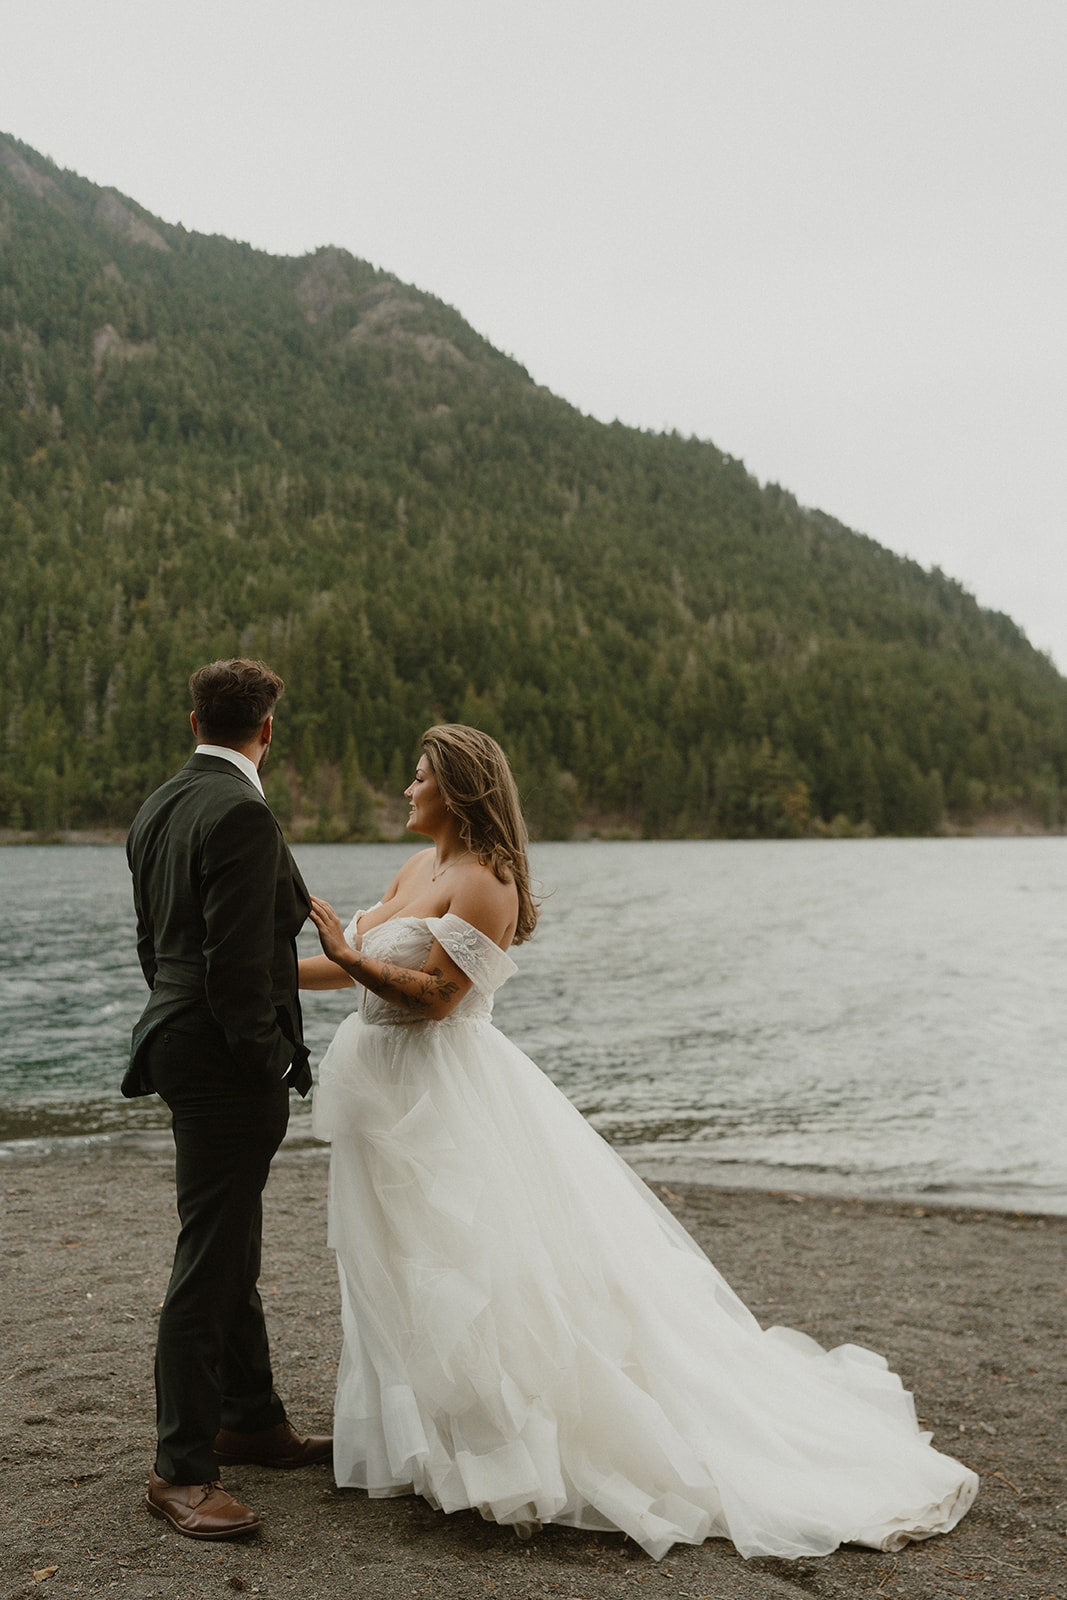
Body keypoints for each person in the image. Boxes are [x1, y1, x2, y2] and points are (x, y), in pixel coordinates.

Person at [301, 724, 978, 1562]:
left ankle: (517, 1454)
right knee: (402, 1264)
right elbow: (351, 961)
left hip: (445, 1094)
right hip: (382, 1099)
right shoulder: (418, 868)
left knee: (480, 1268)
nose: (406, 789)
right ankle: (449, 1446)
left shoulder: (484, 883)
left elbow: (437, 998)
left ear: (460, 788)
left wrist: (344, 953)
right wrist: (273, 969)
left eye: (419, 777)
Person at [125, 658, 331, 1541]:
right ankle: (180, 1469)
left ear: (196, 717)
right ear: (266, 730)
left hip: (174, 1038)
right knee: (210, 1252)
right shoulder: (242, 812)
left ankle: (250, 1416)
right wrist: (268, 1061)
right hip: (222, 1056)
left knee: (229, 1228)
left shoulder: (159, 804)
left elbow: (153, 941)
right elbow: (242, 965)